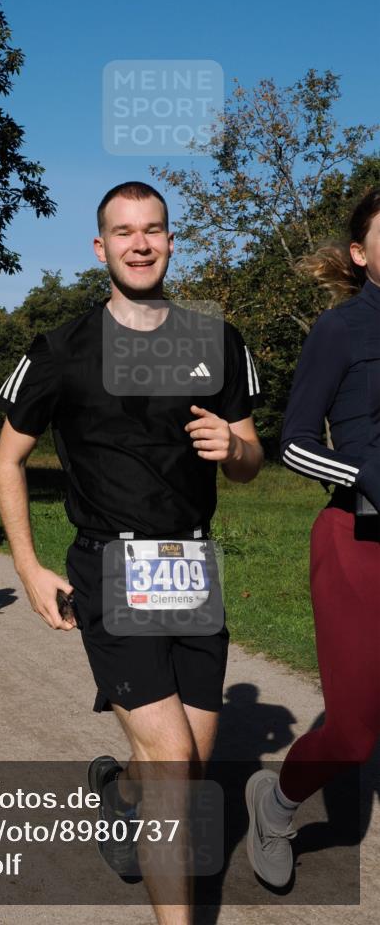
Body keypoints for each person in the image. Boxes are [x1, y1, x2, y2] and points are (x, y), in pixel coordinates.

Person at [0, 181, 263, 924]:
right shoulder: (60, 352)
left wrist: (232, 446)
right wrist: (27, 566)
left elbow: (250, 458)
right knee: (176, 769)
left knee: (186, 771)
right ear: (100, 247)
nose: (139, 243)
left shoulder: (216, 341)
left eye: (153, 230)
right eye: (123, 231)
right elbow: (6, 460)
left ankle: (123, 793)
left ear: (171, 241)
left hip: (193, 569)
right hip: (111, 570)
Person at [245, 187, 380, 888]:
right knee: (355, 733)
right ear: (361, 253)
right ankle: (277, 802)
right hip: (357, 540)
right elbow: (293, 444)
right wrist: (366, 478)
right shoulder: (342, 328)